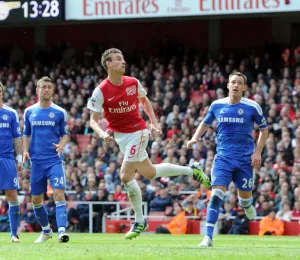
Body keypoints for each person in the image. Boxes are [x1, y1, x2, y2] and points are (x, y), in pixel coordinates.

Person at [87, 48, 210, 240]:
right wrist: (101, 133)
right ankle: (192, 170)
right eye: (118, 59)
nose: (123, 61)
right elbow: (92, 120)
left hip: (138, 131)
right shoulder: (101, 90)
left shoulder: (133, 82)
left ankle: (139, 220)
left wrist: (154, 122)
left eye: (123, 57)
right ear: (108, 64)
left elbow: (144, 101)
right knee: (150, 172)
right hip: (121, 137)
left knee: (125, 176)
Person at [187, 72, 268, 247]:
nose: (236, 85)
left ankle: (247, 204)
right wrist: (195, 138)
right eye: (233, 82)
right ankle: (208, 237)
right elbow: (205, 123)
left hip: (245, 160)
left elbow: (264, 130)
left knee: (244, 199)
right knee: (216, 195)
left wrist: (257, 152)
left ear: (244, 87)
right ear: (228, 85)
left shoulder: (253, 107)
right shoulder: (217, 105)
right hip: (223, 158)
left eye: (240, 83)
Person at [23, 76, 70, 243]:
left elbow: (65, 135)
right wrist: (25, 151)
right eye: (44, 87)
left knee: (59, 193)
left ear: (53, 90)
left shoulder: (59, 112)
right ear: (38, 90)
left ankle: (62, 232)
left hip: (54, 160)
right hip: (36, 162)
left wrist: (61, 145)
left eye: (49, 87)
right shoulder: (29, 111)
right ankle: (46, 231)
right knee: (36, 199)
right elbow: (26, 135)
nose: (47, 90)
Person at [0, 82, 23, 242]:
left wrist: (20, 158)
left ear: (2, 92)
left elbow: (17, 138)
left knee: (12, 194)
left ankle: (14, 233)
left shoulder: (11, 113)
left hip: (7, 159)